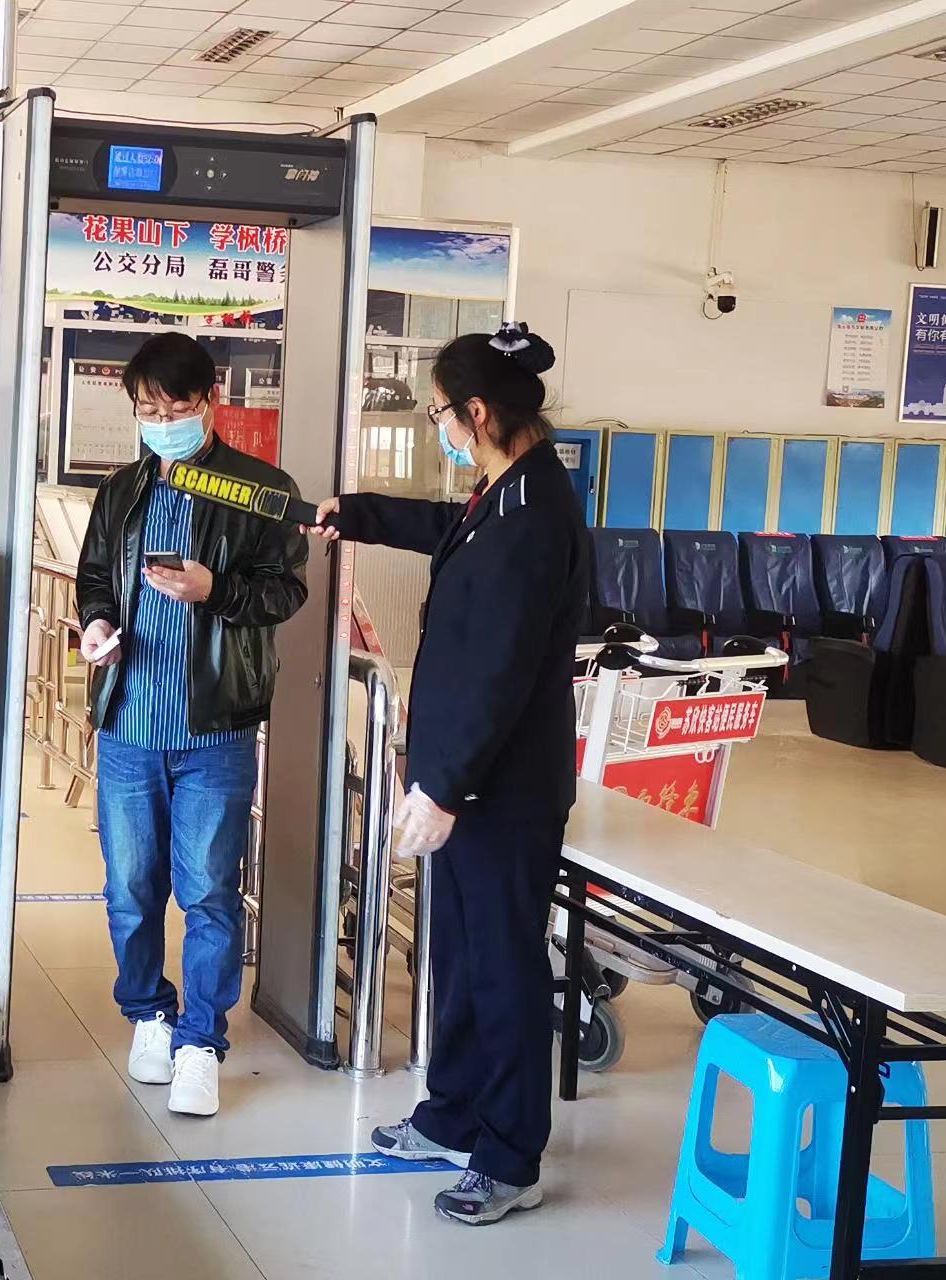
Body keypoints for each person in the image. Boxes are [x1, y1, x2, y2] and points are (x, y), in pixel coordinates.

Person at [306, 323, 590, 1225]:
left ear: (478, 411)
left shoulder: (534, 514)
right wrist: (357, 512)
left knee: (504, 969)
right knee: (461, 960)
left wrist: (448, 787)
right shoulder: (504, 492)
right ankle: (455, 1115)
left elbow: (500, 671)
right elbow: (445, 529)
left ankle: (510, 1156)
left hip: (501, 789)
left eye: (440, 416)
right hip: (470, 779)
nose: (442, 431)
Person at [75, 332, 307, 1118]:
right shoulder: (122, 490)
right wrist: (96, 625)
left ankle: (201, 1041)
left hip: (215, 729)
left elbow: (286, 591)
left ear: (209, 402)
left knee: (209, 892)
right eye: (148, 410)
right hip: (129, 724)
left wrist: (217, 591)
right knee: (130, 889)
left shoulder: (261, 490)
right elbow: (96, 577)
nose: (162, 422)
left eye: (175, 408)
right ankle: (148, 1013)